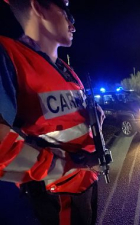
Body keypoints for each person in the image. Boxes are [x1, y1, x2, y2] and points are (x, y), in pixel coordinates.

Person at [0, 0, 105, 224]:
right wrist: (74, 164)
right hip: (55, 196)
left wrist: (95, 121)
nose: (73, 25)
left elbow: (65, 123)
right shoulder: (8, 55)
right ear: (38, 7)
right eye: (67, 13)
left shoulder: (66, 70)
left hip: (86, 184)